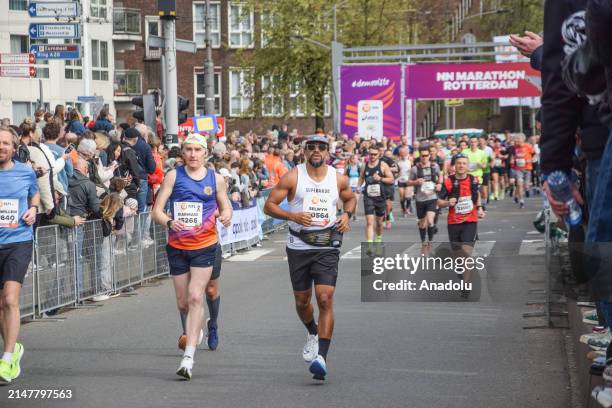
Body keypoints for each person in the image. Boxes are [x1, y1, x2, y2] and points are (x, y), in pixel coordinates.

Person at [263, 134, 356, 381]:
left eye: (321, 147)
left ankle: (321, 358)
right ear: (304, 151)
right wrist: (292, 216)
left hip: (327, 245)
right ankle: (312, 333)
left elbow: (351, 198)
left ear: (327, 152)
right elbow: (269, 205)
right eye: (312, 147)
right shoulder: (294, 176)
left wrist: (347, 215)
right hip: (299, 246)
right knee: (303, 302)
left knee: (325, 298)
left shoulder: (338, 178)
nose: (316, 151)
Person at [152, 133, 232, 380]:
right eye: (188, 150)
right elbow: (156, 211)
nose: (193, 155)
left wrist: (226, 215)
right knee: (183, 303)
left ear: (205, 153)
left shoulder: (216, 179)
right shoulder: (174, 176)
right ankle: (194, 329)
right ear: (183, 153)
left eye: (197, 150)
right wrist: (168, 221)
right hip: (177, 246)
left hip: (205, 245)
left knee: (198, 295)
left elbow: (225, 205)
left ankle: (189, 355)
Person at [0, 127, 39, 384]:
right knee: (0, 304)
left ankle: (7, 357)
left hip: (19, 241)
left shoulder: (25, 171)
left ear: (14, 147)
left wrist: (34, 208)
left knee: (10, 299)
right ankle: (13, 349)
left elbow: (34, 193)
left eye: (5, 143)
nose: (1, 147)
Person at [437, 154, 485, 298]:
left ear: (467, 165)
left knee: (466, 253)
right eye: (459, 163)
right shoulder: (448, 182)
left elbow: (477, 194)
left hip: (470, 221)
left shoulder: (472, 179)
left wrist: (480, 208)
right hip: (453, 223)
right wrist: (447, 203)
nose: (462, 166)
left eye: (464, 163)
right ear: (454, 166)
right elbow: (439, 202)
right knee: (458, 256)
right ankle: (460, 270)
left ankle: (465, 285)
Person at [408, 147, 441, 253]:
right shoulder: (415, 169)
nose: (425, 157)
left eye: (426, 155)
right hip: (420, 199)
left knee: (430, 221)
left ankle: (430, 241)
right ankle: (423, 241)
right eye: (422, 155)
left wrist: (439, 184)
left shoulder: (435, 166)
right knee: (422, 223)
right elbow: (408, 182)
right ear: (420, 156)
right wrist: (416, 182)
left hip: (432, 197)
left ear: (429, 156)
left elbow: (440, 176)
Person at [359, 145, 394, 244]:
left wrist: (381, 179)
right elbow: (361, 177)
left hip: (380, 197)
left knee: (379, 223)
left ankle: (378, 238)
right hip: (368, 196)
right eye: (371, 154)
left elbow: (391, 179)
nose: (372, 156)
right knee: (369, 222)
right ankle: (369, 245)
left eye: (375, 154)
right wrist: (358, 186)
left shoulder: (383, 165)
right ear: (368, 154)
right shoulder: (364, 165)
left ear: (378, 155)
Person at [509, 133, 534, 209]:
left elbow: (534, 154)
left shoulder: (528, 146)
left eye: (518, 139)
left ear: (523, 139)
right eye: (516, 139)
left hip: (527, 168)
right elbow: (512, 157)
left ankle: (524, 191)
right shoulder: (514, 148)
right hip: (518, 169)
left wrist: (531, 160)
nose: (516, 140)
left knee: (526, 185)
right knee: (519, 184)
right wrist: (512, 160)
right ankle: (521, 201)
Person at [396, 147, 413, 216]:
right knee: (402, 197)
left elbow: (414, 169)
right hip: (400, 180)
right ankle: (403, 209)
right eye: (401, 153)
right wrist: (397, 175)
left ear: (406, 153)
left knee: (407, 196)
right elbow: (397, 171)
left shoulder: (410, 159)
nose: (402, 154)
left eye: (404, 153)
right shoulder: (398, 161)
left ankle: (408, 208)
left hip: (408, 180)